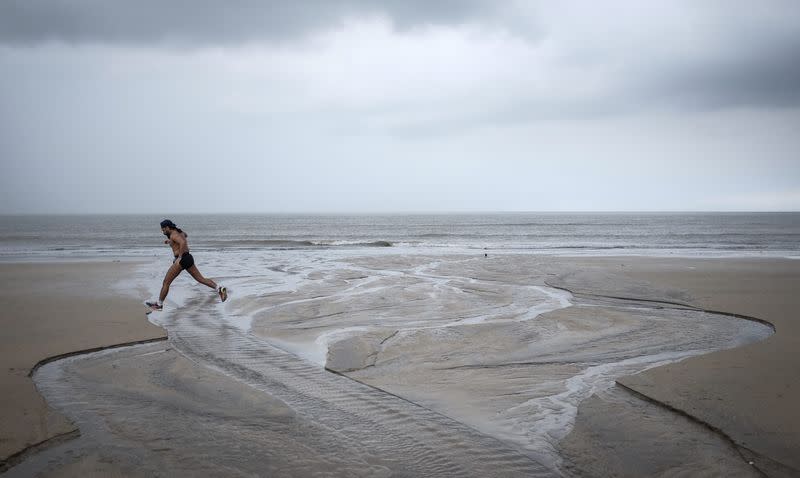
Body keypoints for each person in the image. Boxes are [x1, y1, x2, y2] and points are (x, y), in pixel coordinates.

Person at [146, 219, 227, 311]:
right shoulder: (178, 233)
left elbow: (183, 242)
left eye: (163, 229)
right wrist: (171, 242)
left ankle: (159, 305)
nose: (162, 231)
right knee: (201, 279)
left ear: (168, 227)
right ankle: (219, 289)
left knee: (166, 282)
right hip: (188, 258)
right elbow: (185, 236)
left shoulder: (174, 234)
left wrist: (179, 257)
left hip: (182, 260)